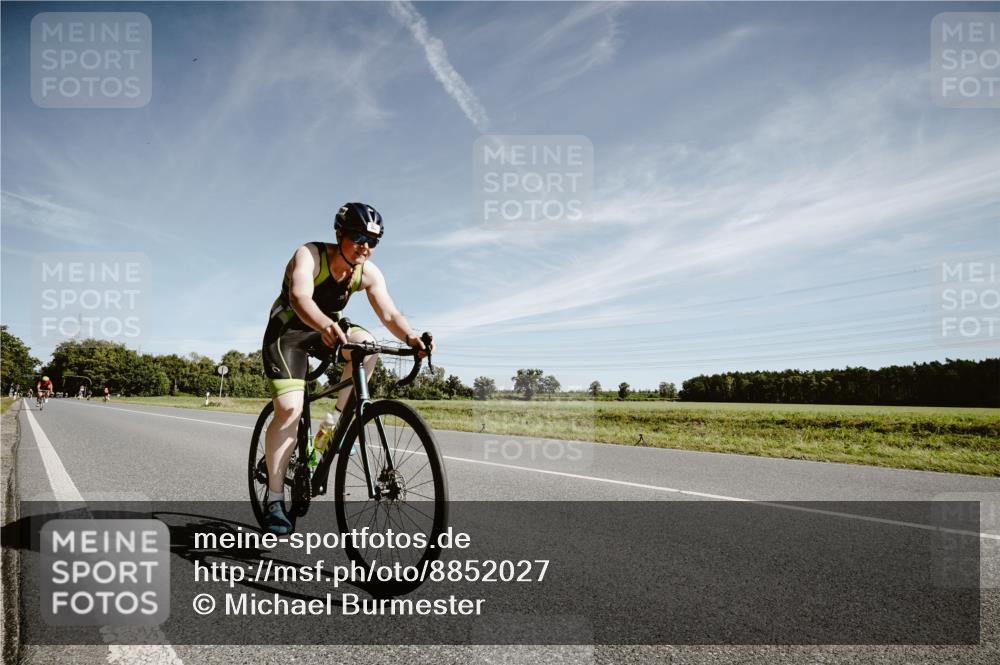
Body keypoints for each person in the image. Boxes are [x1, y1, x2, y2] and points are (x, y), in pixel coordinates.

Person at [260, 202, 433, 535]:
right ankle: (275, 499)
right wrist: (324, 324)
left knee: (367, 347)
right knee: (290, 410)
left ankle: (332, 428)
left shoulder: (368, 272)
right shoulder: (310, 255)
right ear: (339, 234)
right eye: (358, 237)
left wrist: (411, 337)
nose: (364, 247)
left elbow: (389, 314)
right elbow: (299, 297)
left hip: (331, 328)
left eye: (373, 241)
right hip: (289, 332)